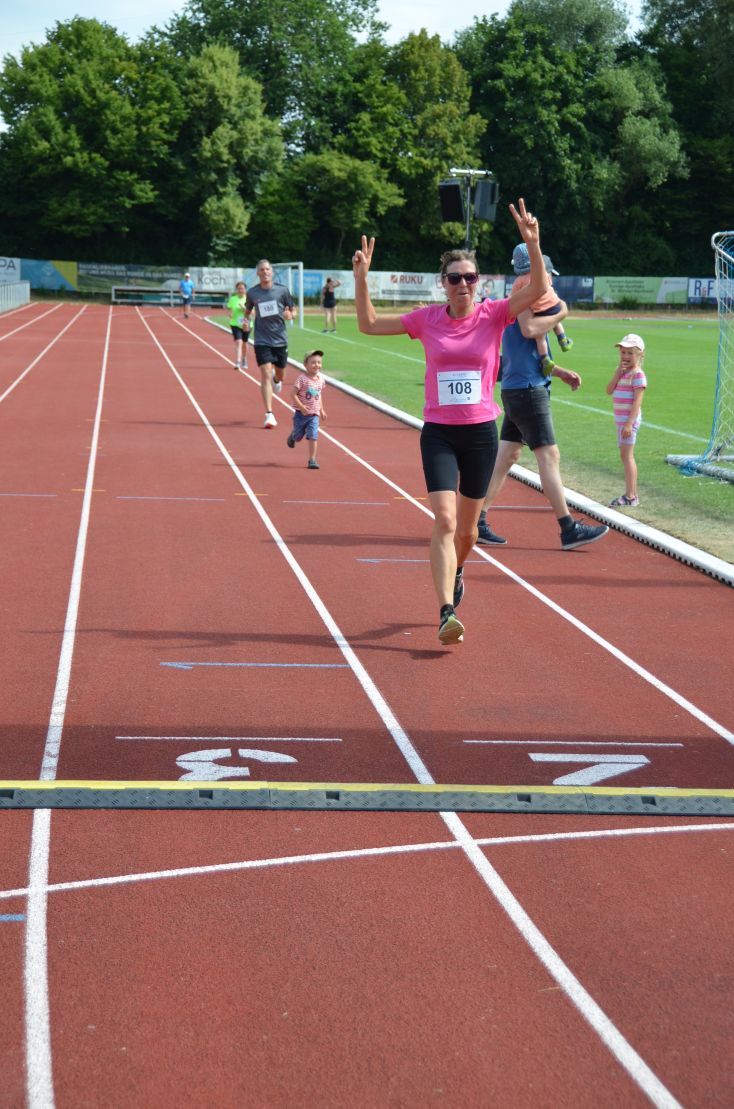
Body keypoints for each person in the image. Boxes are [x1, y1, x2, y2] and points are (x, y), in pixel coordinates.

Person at [353, 197, 551, 646]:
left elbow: (539, 288)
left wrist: (532, 244)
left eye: (470, 277)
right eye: (455, 278)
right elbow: (368, 323)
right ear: (443, 284)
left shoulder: (494, 314)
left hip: (480, 433)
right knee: (443, 520)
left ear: (479, 282)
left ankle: (457, 568)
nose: (464, 284)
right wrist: (361, 280)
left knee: (467, 532)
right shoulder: (426, 320)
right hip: (440, 434)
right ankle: (447, 612)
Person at [476, 300, 609, 552]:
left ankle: (476, 519)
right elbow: (530, 330)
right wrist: (562, 313)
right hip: (528, 390)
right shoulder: (526, 301)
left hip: (518, 387)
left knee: (507, 455)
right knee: (549, 455)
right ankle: (568, 528)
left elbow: (526, 355)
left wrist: (559, 372)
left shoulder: (524, 304)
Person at [245, 259, 296, 428]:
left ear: (271, 272)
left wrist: (290, 315)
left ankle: (277, 379)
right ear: (257, 273)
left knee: (280, 375)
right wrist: (245, 321)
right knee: (265, 375)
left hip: (280, 340)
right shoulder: (253, 293)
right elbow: (248, 310)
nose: (265, 272)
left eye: (267, 269)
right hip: (262, 340)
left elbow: (292, 310)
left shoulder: (282, 290)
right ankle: (269, 414)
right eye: (262, 269)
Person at [510, 243, 572, 374]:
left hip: (539, 310)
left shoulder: (519, 281)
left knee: (540, 337)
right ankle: (563, 339)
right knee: (555, 321)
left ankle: (545, 358)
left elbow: (513, 297)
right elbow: (528, 329)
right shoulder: (542, 275)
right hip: (526, 377)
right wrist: (562, 312)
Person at [606, 333, 647, 507]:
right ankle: (631, 495)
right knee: (625, 456)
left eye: (630, 353)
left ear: (640, 355)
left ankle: (631, 496)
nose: (626, 356)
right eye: (623, 352)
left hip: (629, 422)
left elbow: (638, 401)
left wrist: (629, 423)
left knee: (627, 456)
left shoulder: (637, 375)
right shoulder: (622, 373)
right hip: (621, 422)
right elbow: (609, 390)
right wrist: (617, 374)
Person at [287, 350, 327, 469]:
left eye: (319, 362)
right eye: (313, 362)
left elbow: (318, 395)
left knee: (313, 436)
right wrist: (301, 407)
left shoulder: (321, 379)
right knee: (298, 437)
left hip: (314, 415)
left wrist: (321, 410)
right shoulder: (302, 379)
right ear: (305, 364)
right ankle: (293, 436)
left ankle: (312, 460)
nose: (317, 365)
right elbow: (293, 394)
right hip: (301, 414)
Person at [225, 281, 249, 370]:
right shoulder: (233, 299)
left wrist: (244, 309)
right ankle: (238, 362)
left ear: (245, 289)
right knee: (239, 342)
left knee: (244, 343)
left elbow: (253, 313)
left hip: (246, 324)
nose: (240, 290)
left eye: (242, 288)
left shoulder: (249, 299)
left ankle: (244, 358)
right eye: (239, 288)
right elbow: (229, 308)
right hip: (235, 323)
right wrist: (229, 313)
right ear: (236, 290)